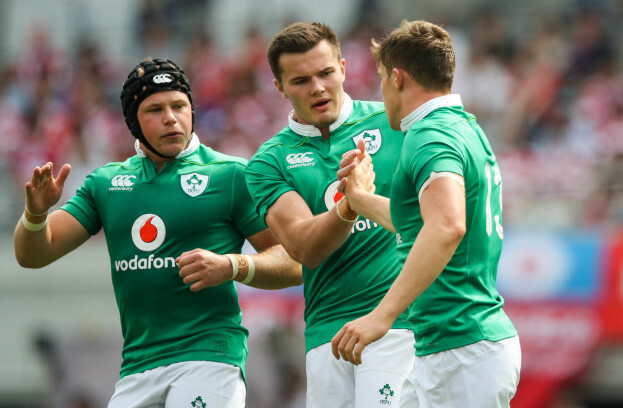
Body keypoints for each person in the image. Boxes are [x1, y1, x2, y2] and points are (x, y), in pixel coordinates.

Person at [14, 57, 302, 408]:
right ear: (133, 121)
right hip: (137, 366)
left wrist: (233, 266)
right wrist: (36, 213)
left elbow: (293, 259)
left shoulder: (230, 175)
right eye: (155, 109)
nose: (171, 117)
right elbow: (33, 254)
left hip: (209, 356)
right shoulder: (105, 184)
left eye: (179, 105)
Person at [330, 20, 521, 408]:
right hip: (451, 344)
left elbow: (447, 225)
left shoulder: (429, 133)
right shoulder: (463, 126)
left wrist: (382, 315)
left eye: (382, 78)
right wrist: (361, 199)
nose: (382, 92)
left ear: (397, 78)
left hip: (462, 348)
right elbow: (422, 224)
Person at [245, 22, 417, 408]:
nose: (318, 88)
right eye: (301, 80)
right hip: (326, 335)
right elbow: (305, 247)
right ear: (279, 88)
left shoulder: (398, 124)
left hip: (397, 324)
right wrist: (350, 202)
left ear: (342, 67)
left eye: (325, 73)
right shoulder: (268, 161)